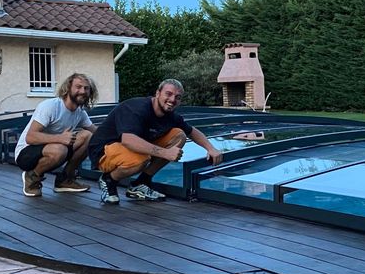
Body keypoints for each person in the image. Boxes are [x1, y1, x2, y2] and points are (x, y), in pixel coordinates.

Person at [88, 78, 223, 204]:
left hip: (127, 148)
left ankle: (141, 183)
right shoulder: (137, 108)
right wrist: (165, 153)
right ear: (158, 93)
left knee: (179, 135)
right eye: (168, 94)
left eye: (177, 97)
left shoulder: (170, 116)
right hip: (103, 151)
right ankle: (108, 180)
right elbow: (128, 140)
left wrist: (210, 148)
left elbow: (191, 131)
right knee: (141, 158)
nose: (172, 100)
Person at [14, 73, 98, 197]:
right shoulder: (51, 106)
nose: (83, 91)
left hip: (56, 149)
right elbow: (30, 137)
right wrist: (60, 138)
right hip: (25, 154)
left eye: (86, 88)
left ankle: (65, 180)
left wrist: (117, 136)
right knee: (60, 149)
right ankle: (32, 176)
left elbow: (95, 131)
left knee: (87, 136)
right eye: (78, 87)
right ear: (68, 88)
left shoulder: (80, 113)